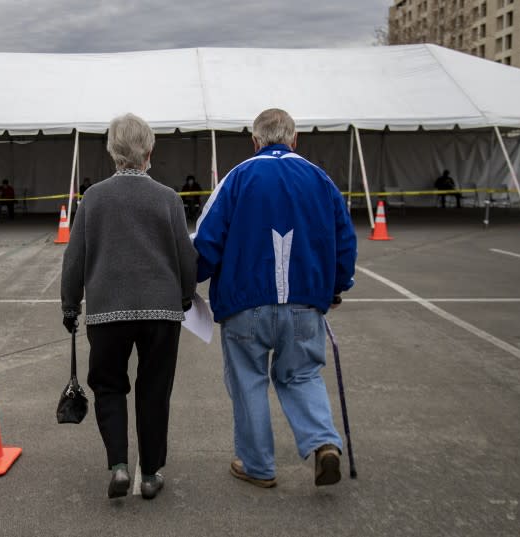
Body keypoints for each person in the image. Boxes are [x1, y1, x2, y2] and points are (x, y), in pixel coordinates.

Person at [193, 108, 357, 489]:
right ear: (294, 139)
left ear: (255, 141)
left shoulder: (238, 178)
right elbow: (345, 241)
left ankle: (257, 465)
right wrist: (335, 286)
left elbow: (206, 241)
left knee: (248, 380)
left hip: (244, 304)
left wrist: (190, 280)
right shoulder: (321, 180)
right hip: (304, 302)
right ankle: (323, 442)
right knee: (302, 374)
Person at [61, 113, 197, 500]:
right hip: (161, 313)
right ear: (149, 152)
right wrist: (185, 295)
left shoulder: (94, 198)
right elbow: (186, 257)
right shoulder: (168, 199)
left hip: (107, 312)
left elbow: (75, 258)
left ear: (111, 151)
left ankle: (119, 465)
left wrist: (70, 305)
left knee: (108, 386)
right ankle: (150, 474)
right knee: (155, 391)